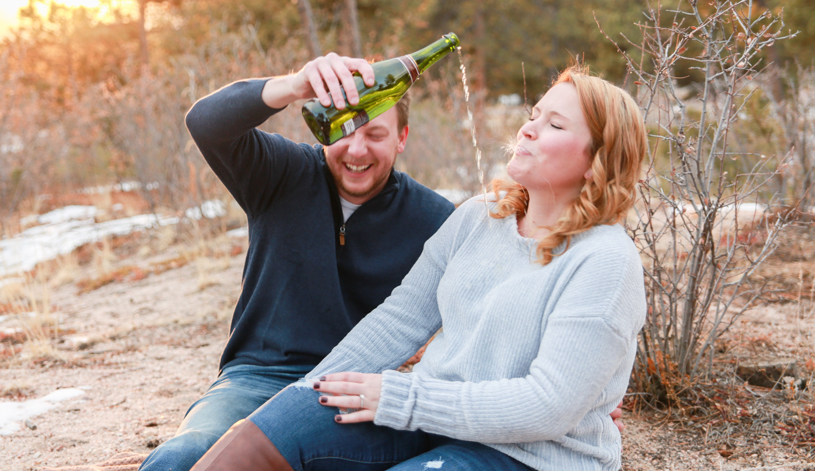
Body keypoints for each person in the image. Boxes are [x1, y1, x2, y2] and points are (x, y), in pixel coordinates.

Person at [186, 64, 648, 471]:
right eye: (533, 116)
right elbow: (400, 318)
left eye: (554, 125)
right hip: (429, 419)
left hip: (528, 454)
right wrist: (308, 393)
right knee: (269, 431)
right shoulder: (478, 217)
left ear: (597, 161)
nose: (528, 129)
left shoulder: (605, 260)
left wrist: (400, 397)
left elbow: (549, 407)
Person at [138, 54, 456, 471]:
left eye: (376, 134)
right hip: (256, 378)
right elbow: (206, 122)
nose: (357, 149)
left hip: (350, 386)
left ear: (402, 137)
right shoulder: (279, 173)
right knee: (185, 456)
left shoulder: (434, 218)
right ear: (324, 127)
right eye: (343, 129)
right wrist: (295, 85)